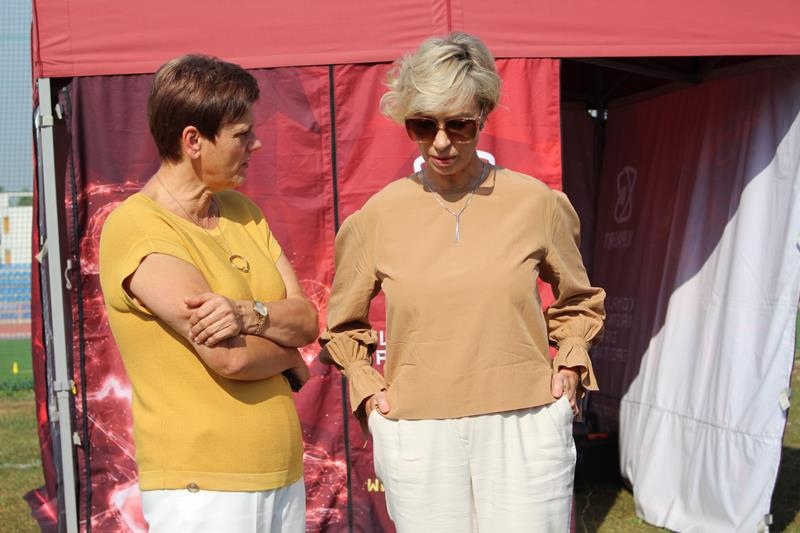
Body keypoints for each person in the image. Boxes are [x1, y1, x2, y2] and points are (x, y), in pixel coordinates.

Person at [318, 32, 605, 532]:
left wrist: (571, 364)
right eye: (423, 125)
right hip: (417, 429)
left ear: (484, 116)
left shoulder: (536, 203)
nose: (441, 142)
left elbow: (579, 300)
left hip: (526, 421)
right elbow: (342, 325)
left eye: (459, 125)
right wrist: (365, 387)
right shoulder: (378, 216)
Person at [99, 54, 318, 533]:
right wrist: (288, 356)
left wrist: (246, 314)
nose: (256, 144)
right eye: (242, 134)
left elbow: (306, 321)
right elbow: (230, 359)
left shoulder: (242, 210)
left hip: (280, 474)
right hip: (202, 487)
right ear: (193, 140)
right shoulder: (137, 227)